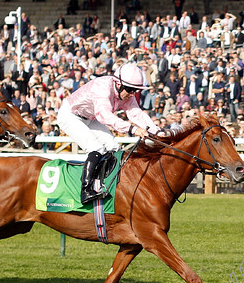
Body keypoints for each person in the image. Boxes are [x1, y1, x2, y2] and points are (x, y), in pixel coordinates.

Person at [57, 64, 167, 204]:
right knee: (96, 148)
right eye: (130, 90)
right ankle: (85, 191)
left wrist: (156, 131)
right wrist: (132, 129)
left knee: (114, 146)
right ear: (118, 83)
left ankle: (107, 185)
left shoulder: (126, 91)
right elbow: (104, 116)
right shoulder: (103, 87)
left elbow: (135, 113)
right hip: (70, 115)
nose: (132, 94)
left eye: (136, 90)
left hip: (90, 118)